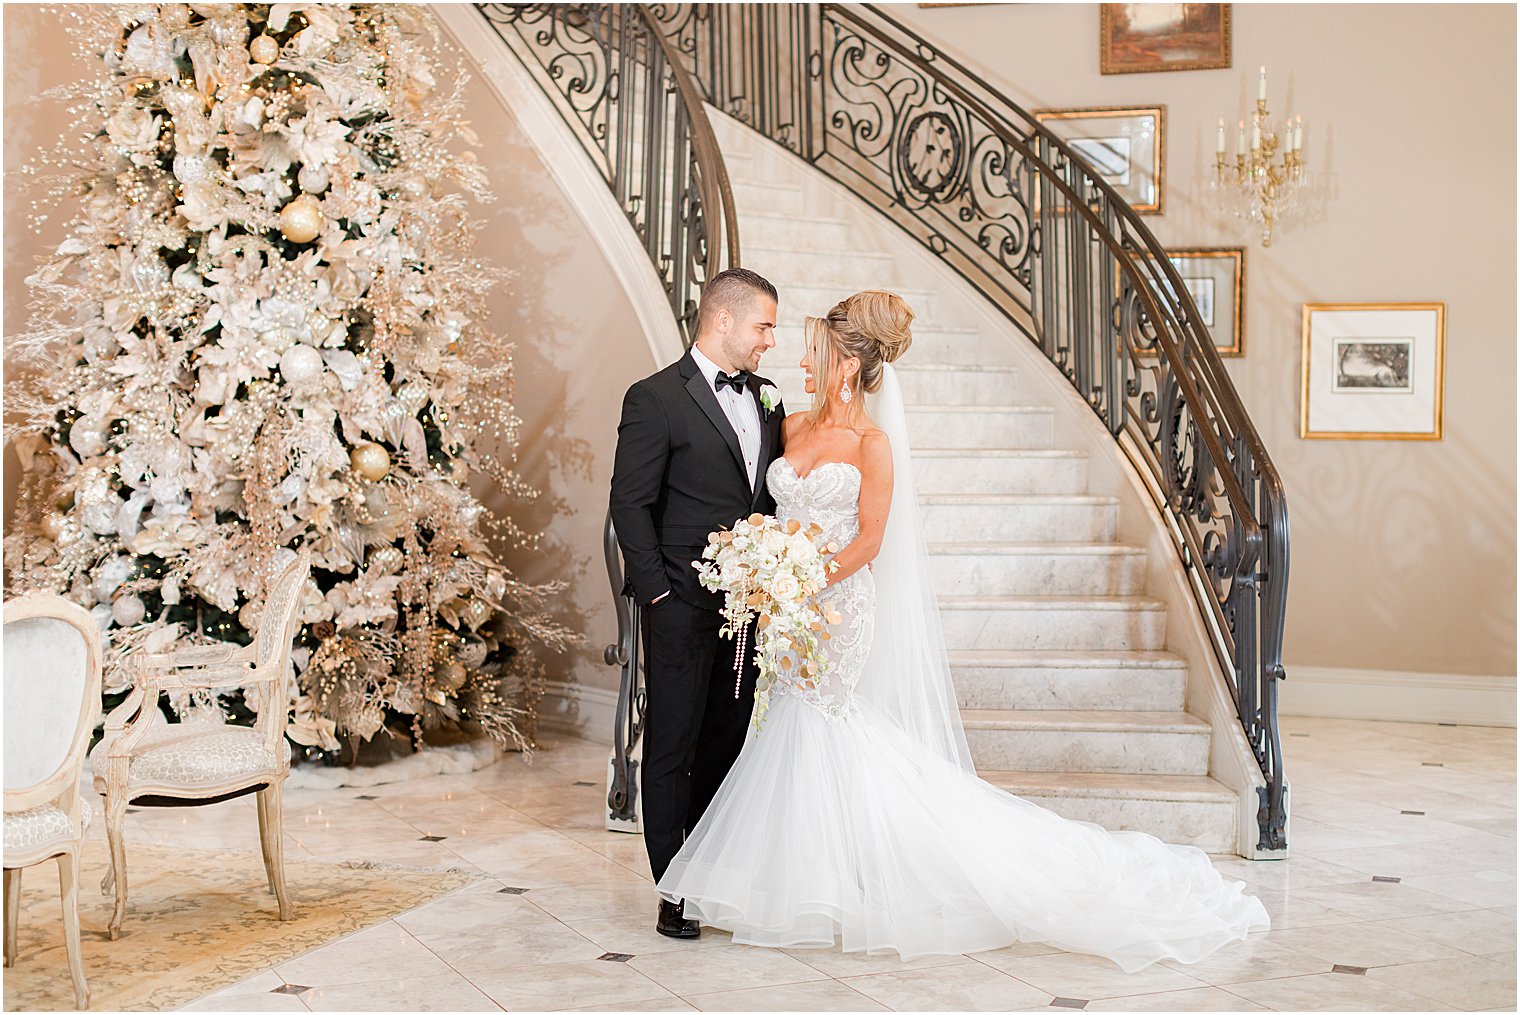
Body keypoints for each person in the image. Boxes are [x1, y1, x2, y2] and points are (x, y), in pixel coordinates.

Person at [656, 290, 1270, 970]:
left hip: (836, 606)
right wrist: (764, 569)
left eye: (817, 351)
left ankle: (835, 882)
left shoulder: (872, 443)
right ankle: (800, 878)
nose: (801, 358)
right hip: (785, 608)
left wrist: (800, 579)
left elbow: (869, 541)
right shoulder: (791, 425)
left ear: (849, 366)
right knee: (788, 725)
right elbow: (762, 502)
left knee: (821, 719)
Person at [609, 267, 787, 939]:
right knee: (672, 741)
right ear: (723, 320)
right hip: (679, 601)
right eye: (763, 325)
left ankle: (713, 871)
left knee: (728, 736)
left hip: (747, 608)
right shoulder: (654, 397)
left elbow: (763, 498)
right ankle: (674, 886)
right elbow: (631, 502)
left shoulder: (768, 397)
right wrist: (657, 588)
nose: (769, 340)